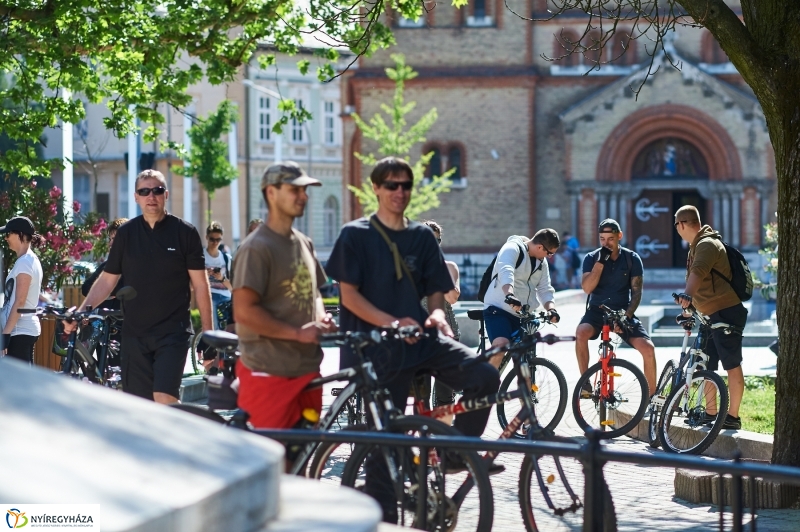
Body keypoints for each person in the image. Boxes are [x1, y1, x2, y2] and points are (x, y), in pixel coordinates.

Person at [326, 156, 500, 523]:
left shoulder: (421, 237)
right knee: (385, 447)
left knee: (485, 376)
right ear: (375, 188)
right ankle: (386, 520)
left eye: (406, 185)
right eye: (392, 185)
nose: (400, 192)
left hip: (423, 341)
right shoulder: (356, 235)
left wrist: (437, 315)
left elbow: (437, 291)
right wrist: (392, 322)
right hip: (379, 349)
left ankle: (455, 454)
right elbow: (349, 296)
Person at [69, 169, 213, 404]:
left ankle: (173, 438)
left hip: (172, 333)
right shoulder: (126, 234)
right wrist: (84, 311)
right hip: (134, 335)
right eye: (144, 191)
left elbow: (200, 284)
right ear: (136, 197)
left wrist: (208, 333)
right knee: (140, 406)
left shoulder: (185, 233)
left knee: (164, 397)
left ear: (166, 194)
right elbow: (107, 279)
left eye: (157, 190)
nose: (151, 196)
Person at [232, 161, 335, 436]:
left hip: (307, 369)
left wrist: (321, 317)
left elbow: (313, 293)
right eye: (295, 189)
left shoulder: (305, 242)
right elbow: (244, 311)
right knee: (279, 465)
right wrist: (297, 334)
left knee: (301, 463)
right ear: (271, 193)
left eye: (306, 190)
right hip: (269, 372)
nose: (304, 196)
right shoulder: (256, 247)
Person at [673, 205, 747, 429]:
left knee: (732, 364)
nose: (676, 229)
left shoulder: (706, 244)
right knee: (705, 365)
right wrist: (689, 308)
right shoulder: (696, 245)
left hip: (726, 311)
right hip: (708, 314)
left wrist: (687, 294)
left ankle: (732, 417)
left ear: (682, 224)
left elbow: (699, 272)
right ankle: (710, 412)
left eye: (676, 225)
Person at [577, 219, 656, 395]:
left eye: (610, 239)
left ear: (619, 236)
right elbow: (587, 288)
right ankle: (585, 384)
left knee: (648, 348)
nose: (606, 243)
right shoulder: (591, 258)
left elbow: (636, 293)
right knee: (581, 333)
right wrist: (600, 263)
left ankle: (653, 398)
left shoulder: (632, 259)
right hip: (596, 311)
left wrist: (626, 316)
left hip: (622, 312)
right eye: (602, 239)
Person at [482, 229, 561, 369]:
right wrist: (510, 295)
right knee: (501, 345)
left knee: (527, 359)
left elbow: (545, 288)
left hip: (524, 314)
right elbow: (506, 272)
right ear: (540, 247)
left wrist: (551, 309)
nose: (549, 256)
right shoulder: (512, 248)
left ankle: (527, 390)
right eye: (549, 253)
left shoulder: (541, 262)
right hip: (499, 309)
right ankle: (486, 386)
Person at [420, 220, 459, 417]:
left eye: (438, 240)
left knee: (445, 396)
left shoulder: (449, 267)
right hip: (421, 339)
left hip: (446, 337)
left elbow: (452, 297)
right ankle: (425, 443)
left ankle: (445, 442)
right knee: (422, 396)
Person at [1, 216, 44, 363]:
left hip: (20, 332)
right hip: (19, 331)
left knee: (20, 384)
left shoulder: (25, 262)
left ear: (20, 235)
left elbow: (20, 300)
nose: (6, 238)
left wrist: (5, 335)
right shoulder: (26, 260)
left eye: (8, 234)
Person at [81, 217, 129, 310]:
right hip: (106, 321)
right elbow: (86, 288)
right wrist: (107, 294)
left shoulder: (139, 264)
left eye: (114, 239)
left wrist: (104, 292)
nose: (110, 244)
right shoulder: (108, 264)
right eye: (110, 239)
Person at [204, 221, 233, 330]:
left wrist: (221, 278)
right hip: (210, 295)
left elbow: (232, 287)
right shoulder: (201, 257)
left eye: (218, 240)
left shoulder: (226, 258)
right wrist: (204, 275)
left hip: (226, 296)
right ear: (207, 237)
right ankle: (214, 344)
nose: (215, 242)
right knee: (214, 328)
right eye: (212, 239)